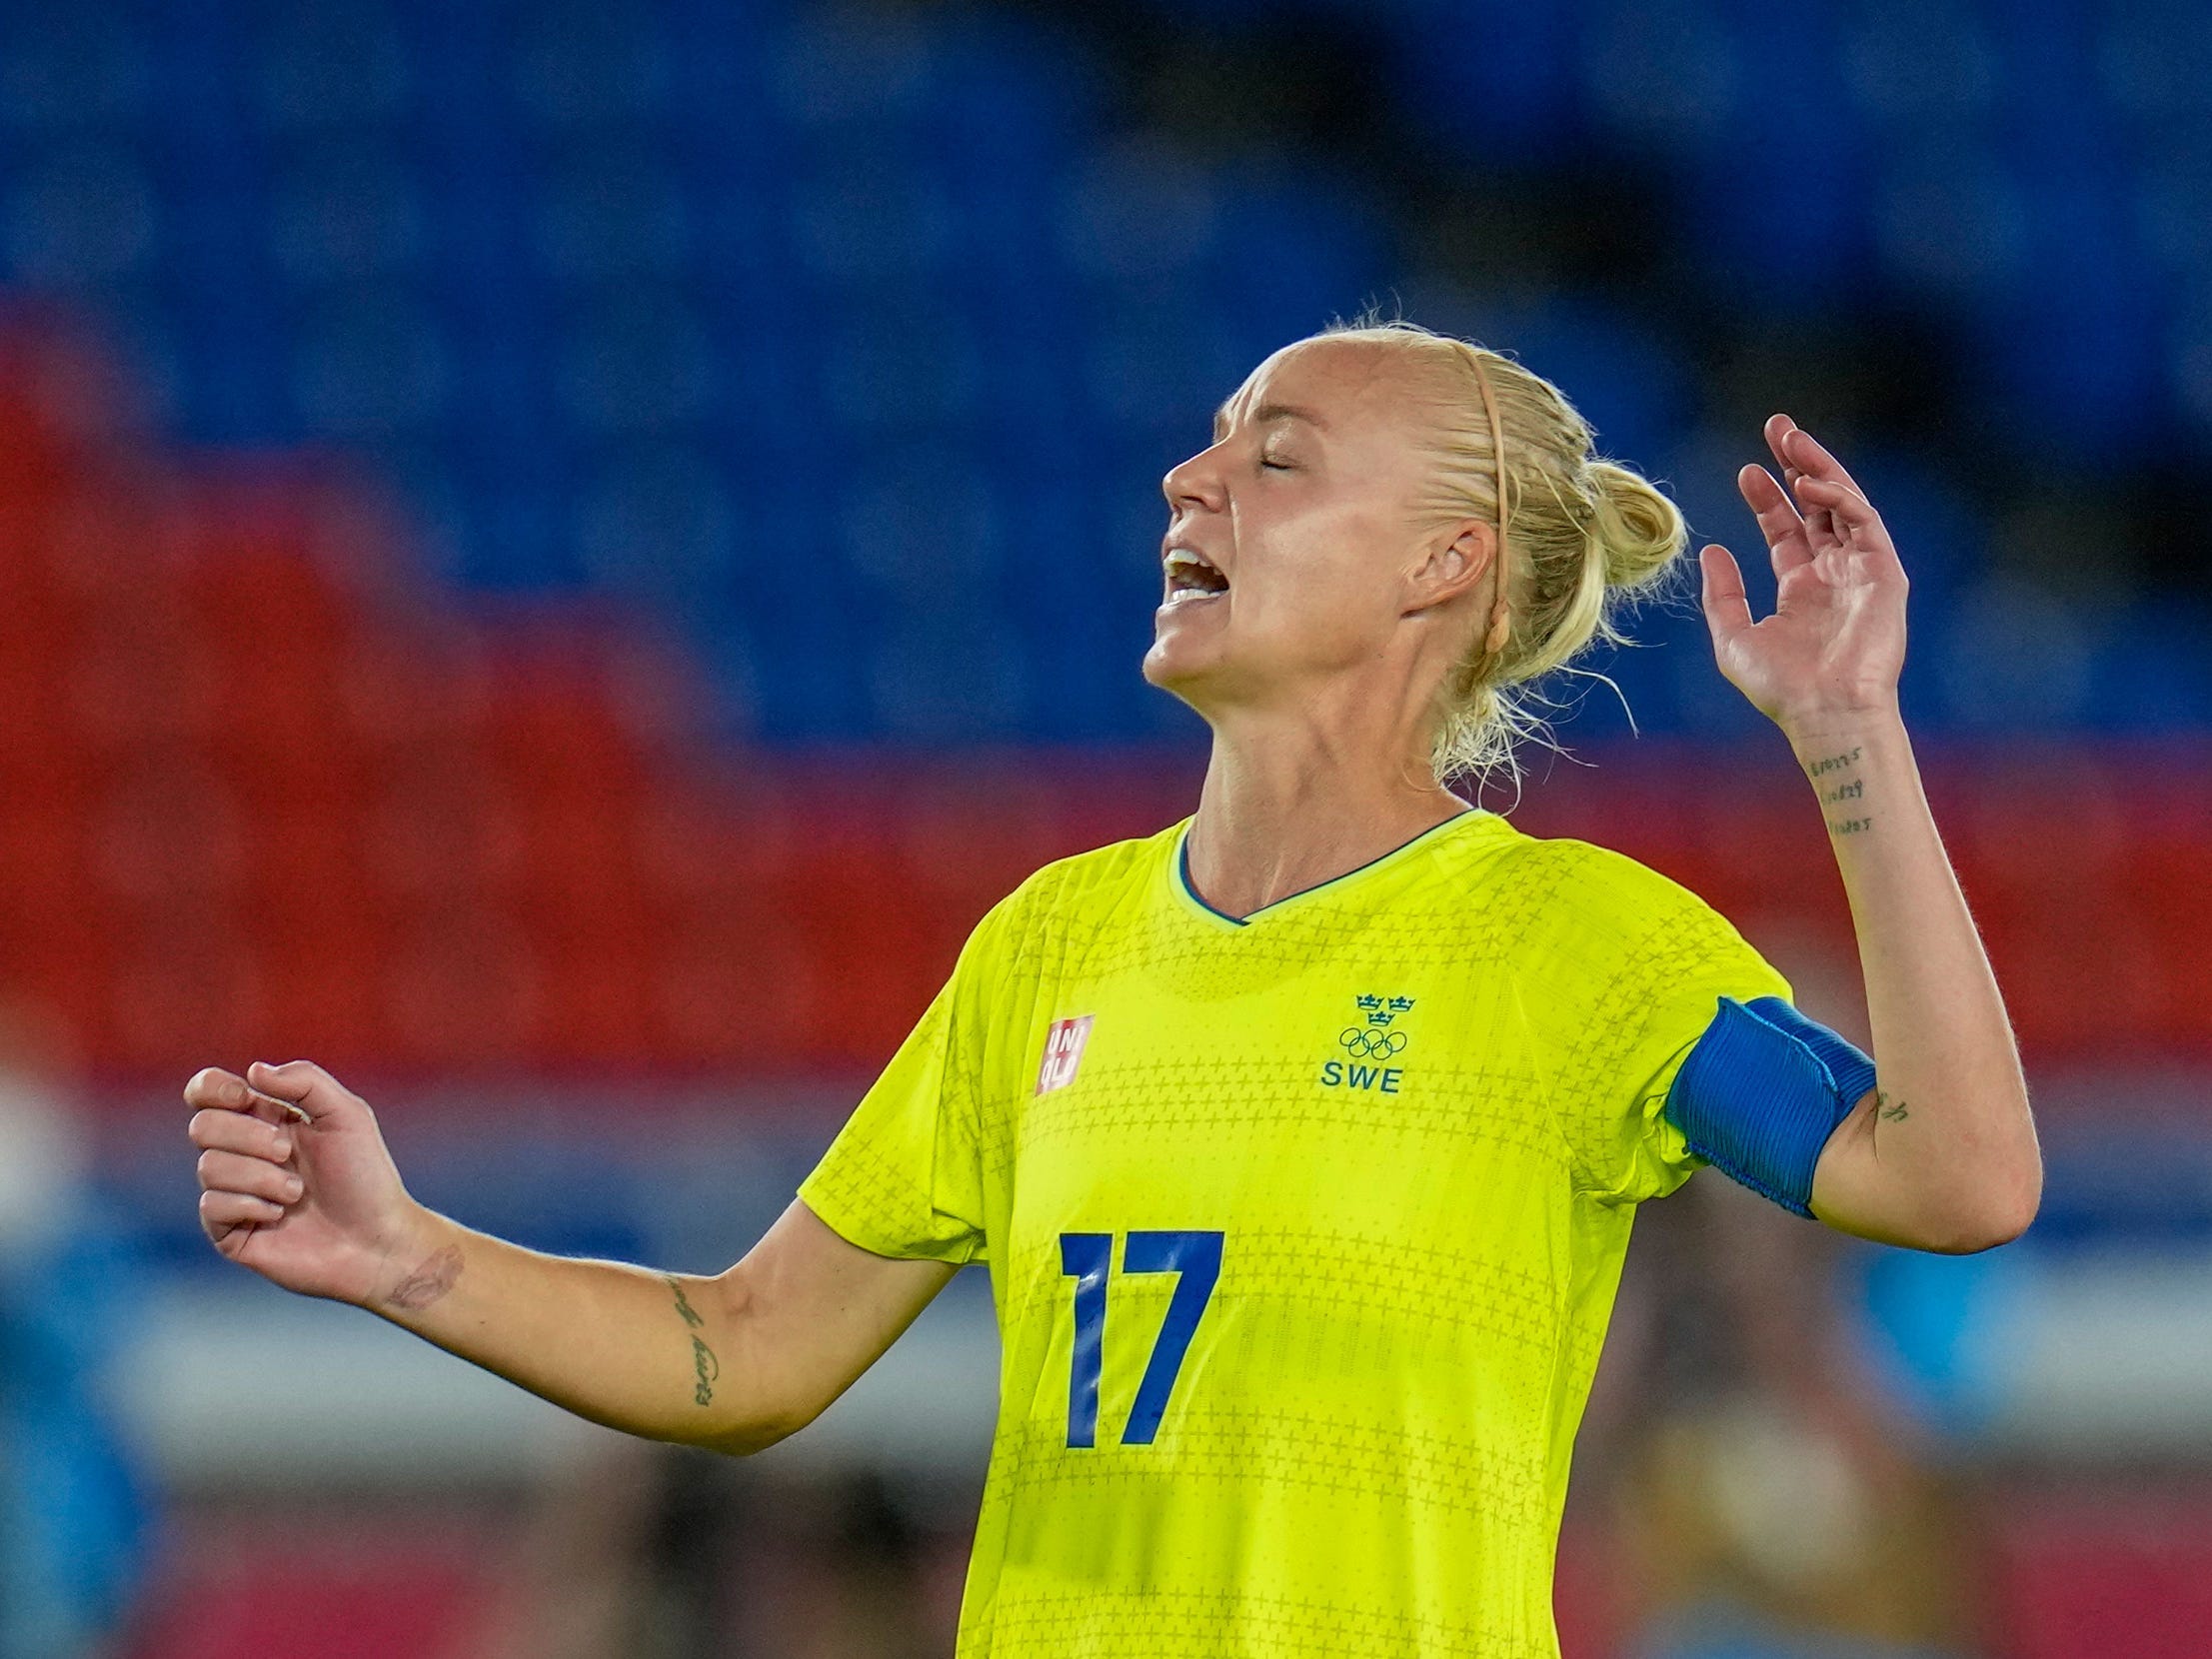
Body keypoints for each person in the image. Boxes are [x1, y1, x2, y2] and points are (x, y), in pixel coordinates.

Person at [185, 319, 2042, 1659]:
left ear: (1442, 566)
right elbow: (748, 1351)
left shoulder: (1575, 945)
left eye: (1277, 452)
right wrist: (406, 1255)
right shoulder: (1048, 945)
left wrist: (1846, 730)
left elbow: (1956, 1181)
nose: (1190, 475)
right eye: (1211, 442)